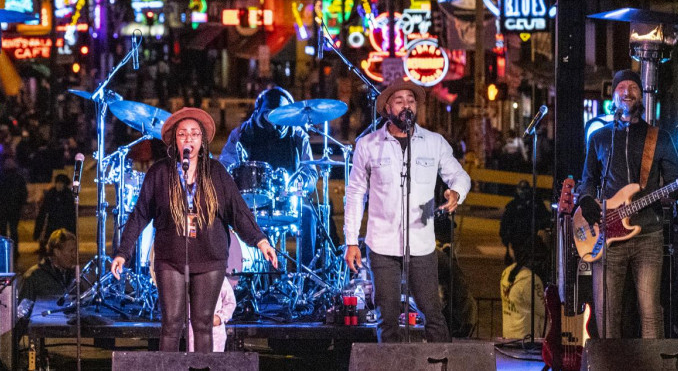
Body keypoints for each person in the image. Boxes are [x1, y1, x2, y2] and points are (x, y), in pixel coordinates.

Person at [111, 107, 279, 352]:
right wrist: (122, 252)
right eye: (182, 133)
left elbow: (238, 211)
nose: (188, 138)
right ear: (174, 140)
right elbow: (139, 214)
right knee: (171, 324)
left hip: (210, 258)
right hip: (170, 259)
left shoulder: (217, 173)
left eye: (194, 133)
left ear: (202, 140)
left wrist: (261, 241)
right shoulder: (159, 173)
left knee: (202, 324)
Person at [343, 80, 471, 343]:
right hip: (381, 244)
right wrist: (351, 241)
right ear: (387, 107)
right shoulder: (368, 145)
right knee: (387, 316)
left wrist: (456, 191)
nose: (406, 106)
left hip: (421, 244)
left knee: (432, 313)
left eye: (410, 101)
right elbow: (355, 193)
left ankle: (442, 363)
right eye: (399, 101)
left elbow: (459, 175)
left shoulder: (433, 143)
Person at [576, 69, 678, 339]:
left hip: (648, 236)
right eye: (621, 87)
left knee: (650, 312)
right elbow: (588, 180)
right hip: (606, 236)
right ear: (613, 95)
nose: (627, 91)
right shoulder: (600, 137)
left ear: (641, 95)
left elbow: (675, 182)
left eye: (633, 87)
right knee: (606, 314)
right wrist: (585, 200)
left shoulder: (659, 138)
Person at [218, 87, 319, 267]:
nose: (276, 121)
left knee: (309, 215)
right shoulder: (242, 133)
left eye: (283, 114)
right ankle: (242, 276)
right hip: (251, 204)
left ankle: (305, 279)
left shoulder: (297, 135)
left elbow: (311, 173)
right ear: (259, 111)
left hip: (288, 201)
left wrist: (301, 183)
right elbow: (224, 167)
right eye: (270, 114)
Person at [500, 238, 546, 340]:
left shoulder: (507, 272)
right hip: (527, 341)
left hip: (509, 336)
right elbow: (545, 311)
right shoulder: (531, 280)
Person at [19, 229, 79, 302]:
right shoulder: (34, 276)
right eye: (71, 251)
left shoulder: (75, 275)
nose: (74, 255)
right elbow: (22, 310)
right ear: (57, 252)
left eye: (76, 251)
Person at [0, 156, 28, 259]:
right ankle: (14, 251)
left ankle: (5, 251)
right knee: (13, 231)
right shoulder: (18, 177)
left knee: (4, 231)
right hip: (13, 208)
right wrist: (21, 204)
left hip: (4, 208)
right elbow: (23, 193)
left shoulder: (1, 177)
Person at [187, 278, 236, 352]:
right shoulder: (189, 277)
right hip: (193, 330)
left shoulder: (220, 277)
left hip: (215, 331)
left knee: (214, 362)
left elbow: (230, 302)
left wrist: (220, 317)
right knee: (195, 361)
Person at [34, 174, 77, 251]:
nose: (59, 185)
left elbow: (71, 214)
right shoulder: (51, 193)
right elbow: (43, 211)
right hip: (52, 223)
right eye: (58, 183)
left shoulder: (68, 195)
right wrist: (37, 232)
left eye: (61, 183)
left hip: (64, 224)